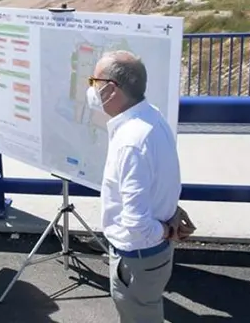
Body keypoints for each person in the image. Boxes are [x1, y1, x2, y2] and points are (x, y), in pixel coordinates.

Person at [87, 50, 196, 323]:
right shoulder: (152, 117)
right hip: (153, 256)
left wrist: (166, 229)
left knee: (138, 316)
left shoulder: (130, 142)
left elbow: (136, 223)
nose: (91, 89)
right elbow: (161, 179)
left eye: (94, 82)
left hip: (137, 258)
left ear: (111, 90)